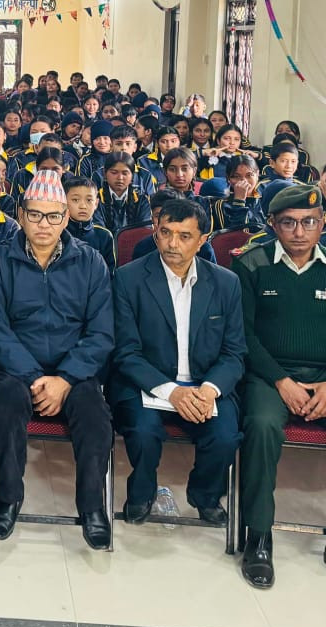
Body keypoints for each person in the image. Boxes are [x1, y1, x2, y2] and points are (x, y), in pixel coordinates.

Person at [233, 184, 326, 598]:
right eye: (289, 223)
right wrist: (281, 381)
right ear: (272, 224)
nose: (299, 232)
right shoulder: (251, 265)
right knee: (261, 426)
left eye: (309, 222)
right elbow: (243, 336)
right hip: (268, 376)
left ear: (323, 224)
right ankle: (258, 535)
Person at [0, 170, 115, 548]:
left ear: (66, 217)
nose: (44, 224)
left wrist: (66, 378)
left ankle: (92, 506)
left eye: (53, 215)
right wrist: (34, 377)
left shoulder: (91, 262)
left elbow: (101, 333)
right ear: (21, 215)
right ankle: (8, 496)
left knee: (95, 416)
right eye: (35, 215)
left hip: (75, 371)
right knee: (5, 407)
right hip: (16, 369)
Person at [112, 198, 245, 526]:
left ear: (202, 241)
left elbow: (234, 352)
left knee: (225, 437)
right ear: (155, 233)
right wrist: (172, 392)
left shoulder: (226, 283)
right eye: (166, 233)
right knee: (143, 431)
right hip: (147, 383)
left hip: (204, 385)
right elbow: (126, 352)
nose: (172, 243)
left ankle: (205, 495)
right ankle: (142, 492)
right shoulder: (128, 279)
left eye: (184, 236)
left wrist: (209, 390)